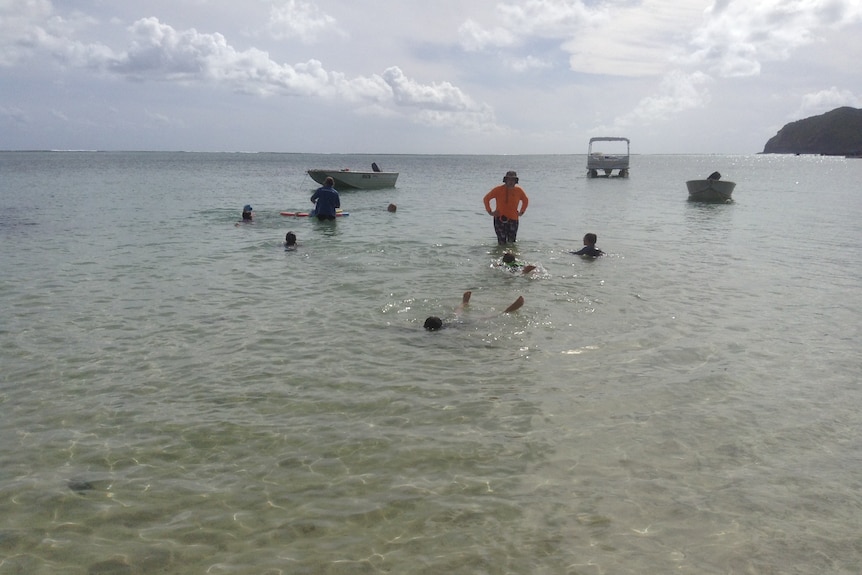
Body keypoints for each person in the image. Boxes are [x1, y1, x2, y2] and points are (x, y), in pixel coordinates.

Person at [424, 291, 524, 331]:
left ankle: (464, 303)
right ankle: (464, 303)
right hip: (451, 325)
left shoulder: (425, 330)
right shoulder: (443, 327)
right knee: (456, 314)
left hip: (450, 326)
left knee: (456, 315)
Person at [483, 170, 529, 245]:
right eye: (509, 179)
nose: (511, 181)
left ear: (515, 181)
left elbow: (525, 200)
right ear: (505, 180)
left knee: (511, 242)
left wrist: (521, 212)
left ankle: (511, 255)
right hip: (499, 219)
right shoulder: (498, 189)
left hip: (513, 220)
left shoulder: (519, 191)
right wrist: (490, 212)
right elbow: (486, 199)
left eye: (513, 180)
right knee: (501, 242)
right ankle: (500, 255)